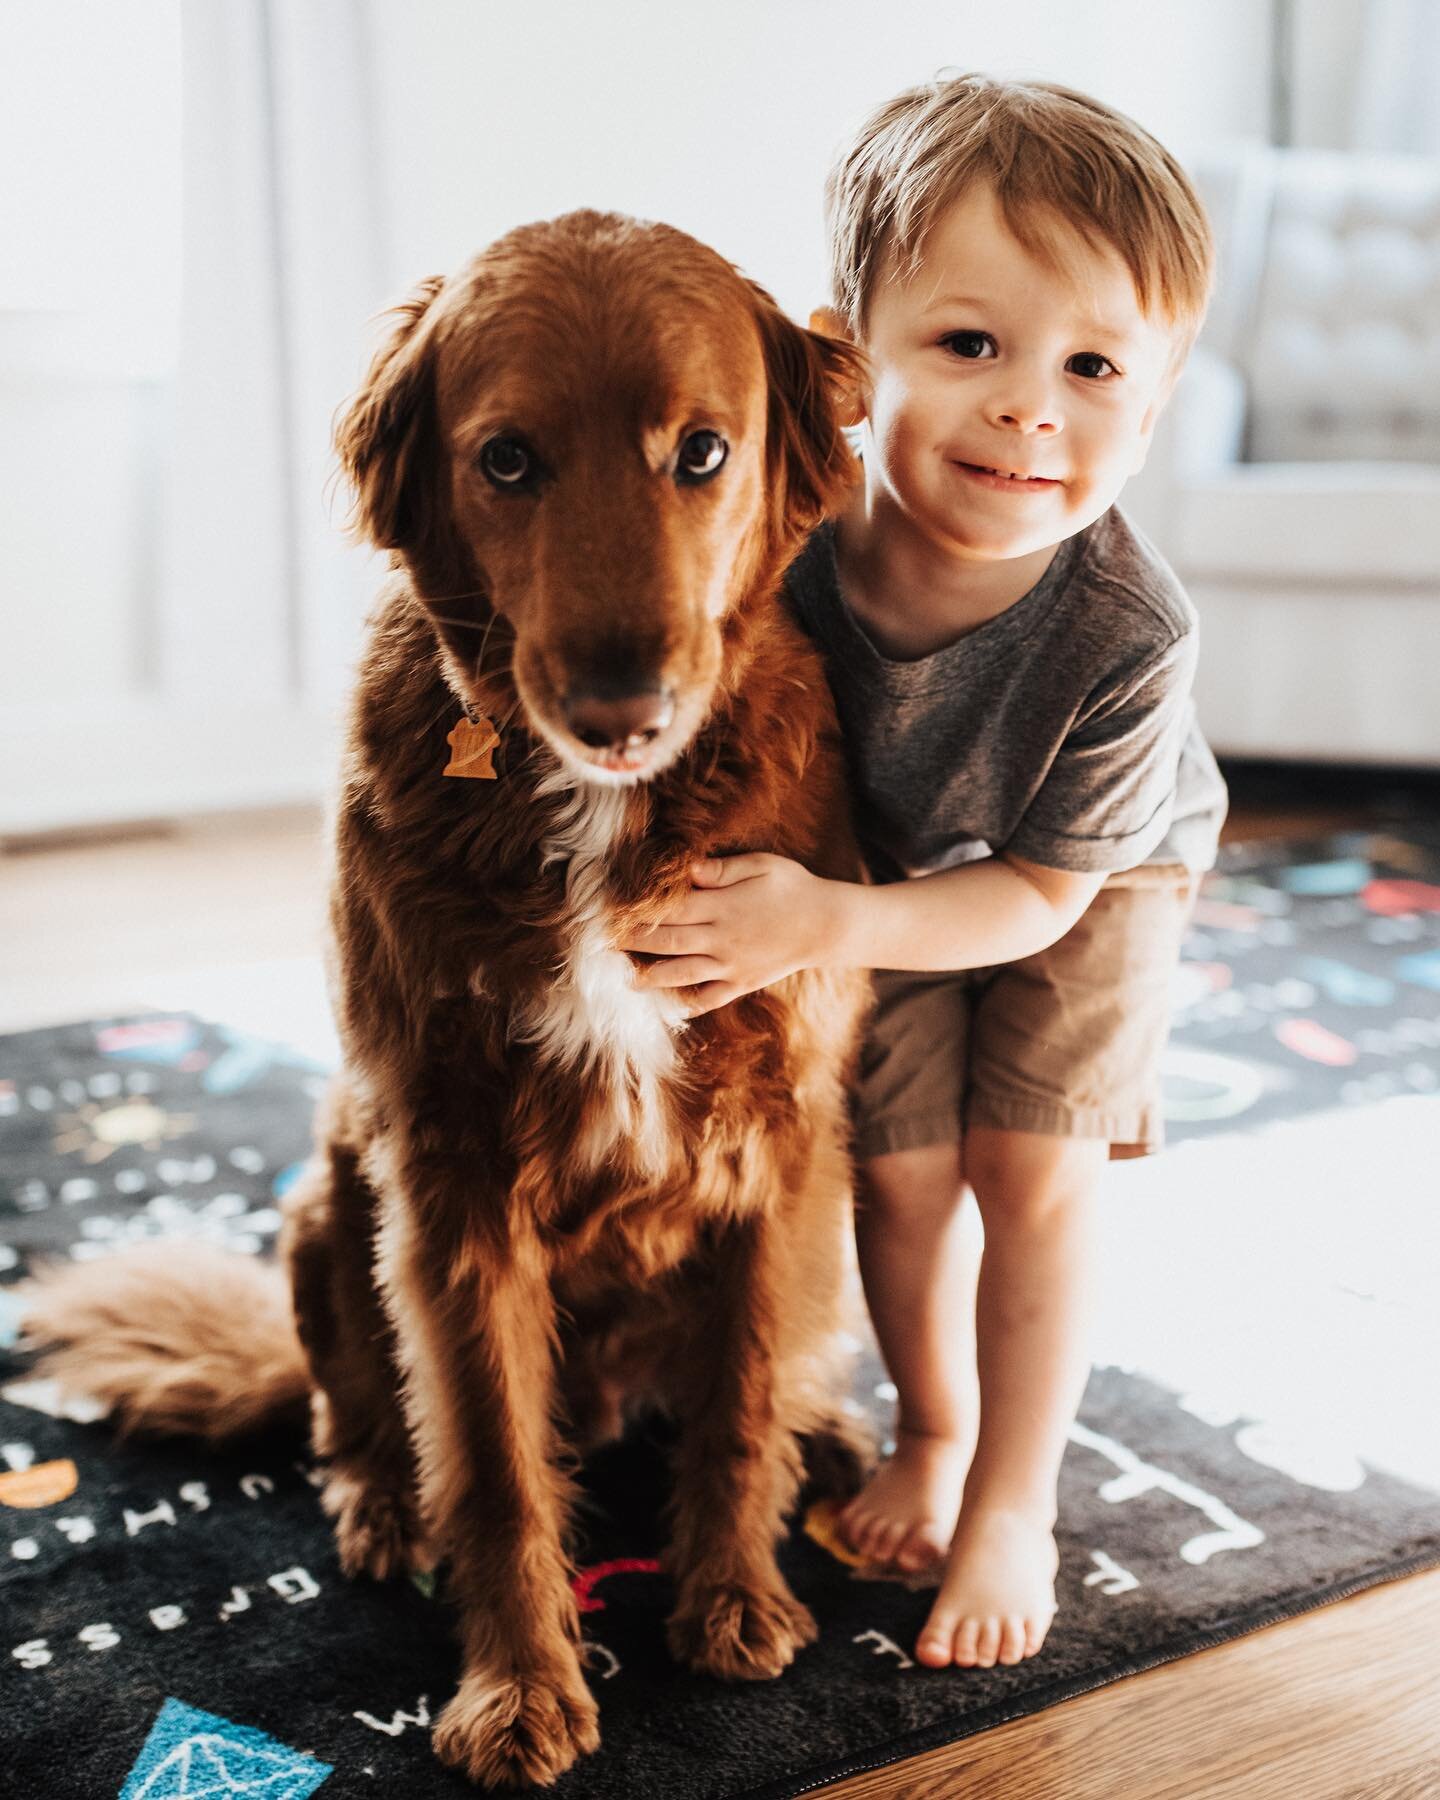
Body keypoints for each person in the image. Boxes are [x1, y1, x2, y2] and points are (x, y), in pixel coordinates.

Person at [623, 72, 1229, 1673]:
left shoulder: (1130, 630)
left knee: (1028, 1168)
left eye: (1096, 368)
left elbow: (1038, 897)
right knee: (896, 1170)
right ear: (846, 364)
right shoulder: (792, 541)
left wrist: (827, 923)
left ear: (1151, 409)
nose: (1035, 408)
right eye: (972, 346)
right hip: (875, 856)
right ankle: (935, 1430)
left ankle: (1016, 1493)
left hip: (1089, 875)